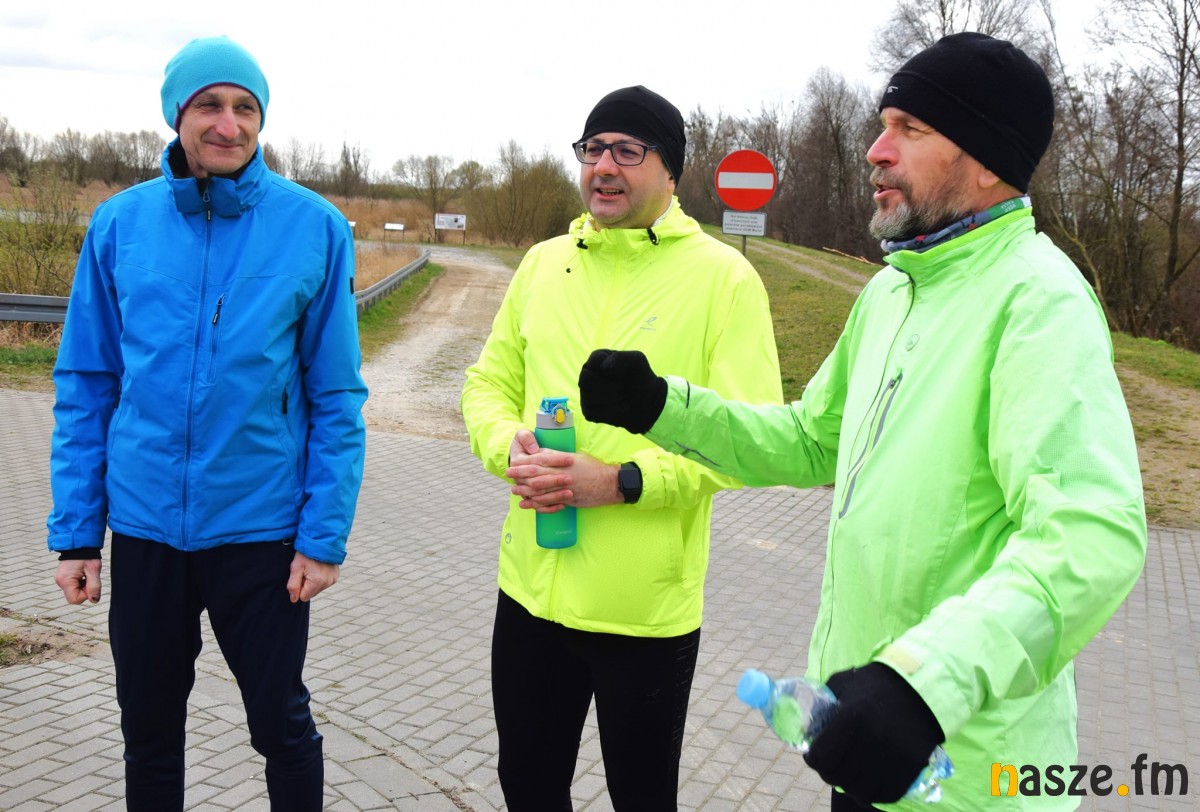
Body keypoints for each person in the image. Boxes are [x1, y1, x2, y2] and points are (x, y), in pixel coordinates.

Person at [578, 34, 1147, 812]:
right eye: (882, 126)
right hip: (865, 743)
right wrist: (663, 406)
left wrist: (924, 686)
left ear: (986, 160)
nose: (876, 151)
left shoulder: (1037, 300)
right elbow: (814, 439)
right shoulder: (890, 293)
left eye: (910, 129)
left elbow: (1091, 532)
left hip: (966, 771)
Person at [46, 35, 367, 811]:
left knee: (281, 726)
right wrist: (78, 535)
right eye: (210, 105)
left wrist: (322, 537)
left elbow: (336, 397)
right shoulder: (119, 225)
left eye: (246, 107)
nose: (229, 123)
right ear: (177, 115)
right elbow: (87, 384)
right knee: (149, 730)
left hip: (261, 533)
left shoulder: (314, 228)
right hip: (147, 530)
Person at [461, 85, 783, 809]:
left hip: (643, 611)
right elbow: (486, 384)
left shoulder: (725, 280)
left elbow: (750, 439)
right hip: (530, 591)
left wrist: (620, 481)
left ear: (670, 169)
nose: (603, 166)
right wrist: (506, 447)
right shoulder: (543, 264)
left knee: (641, 797)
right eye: (592, 148)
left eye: (627, 151)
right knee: (527, 787)